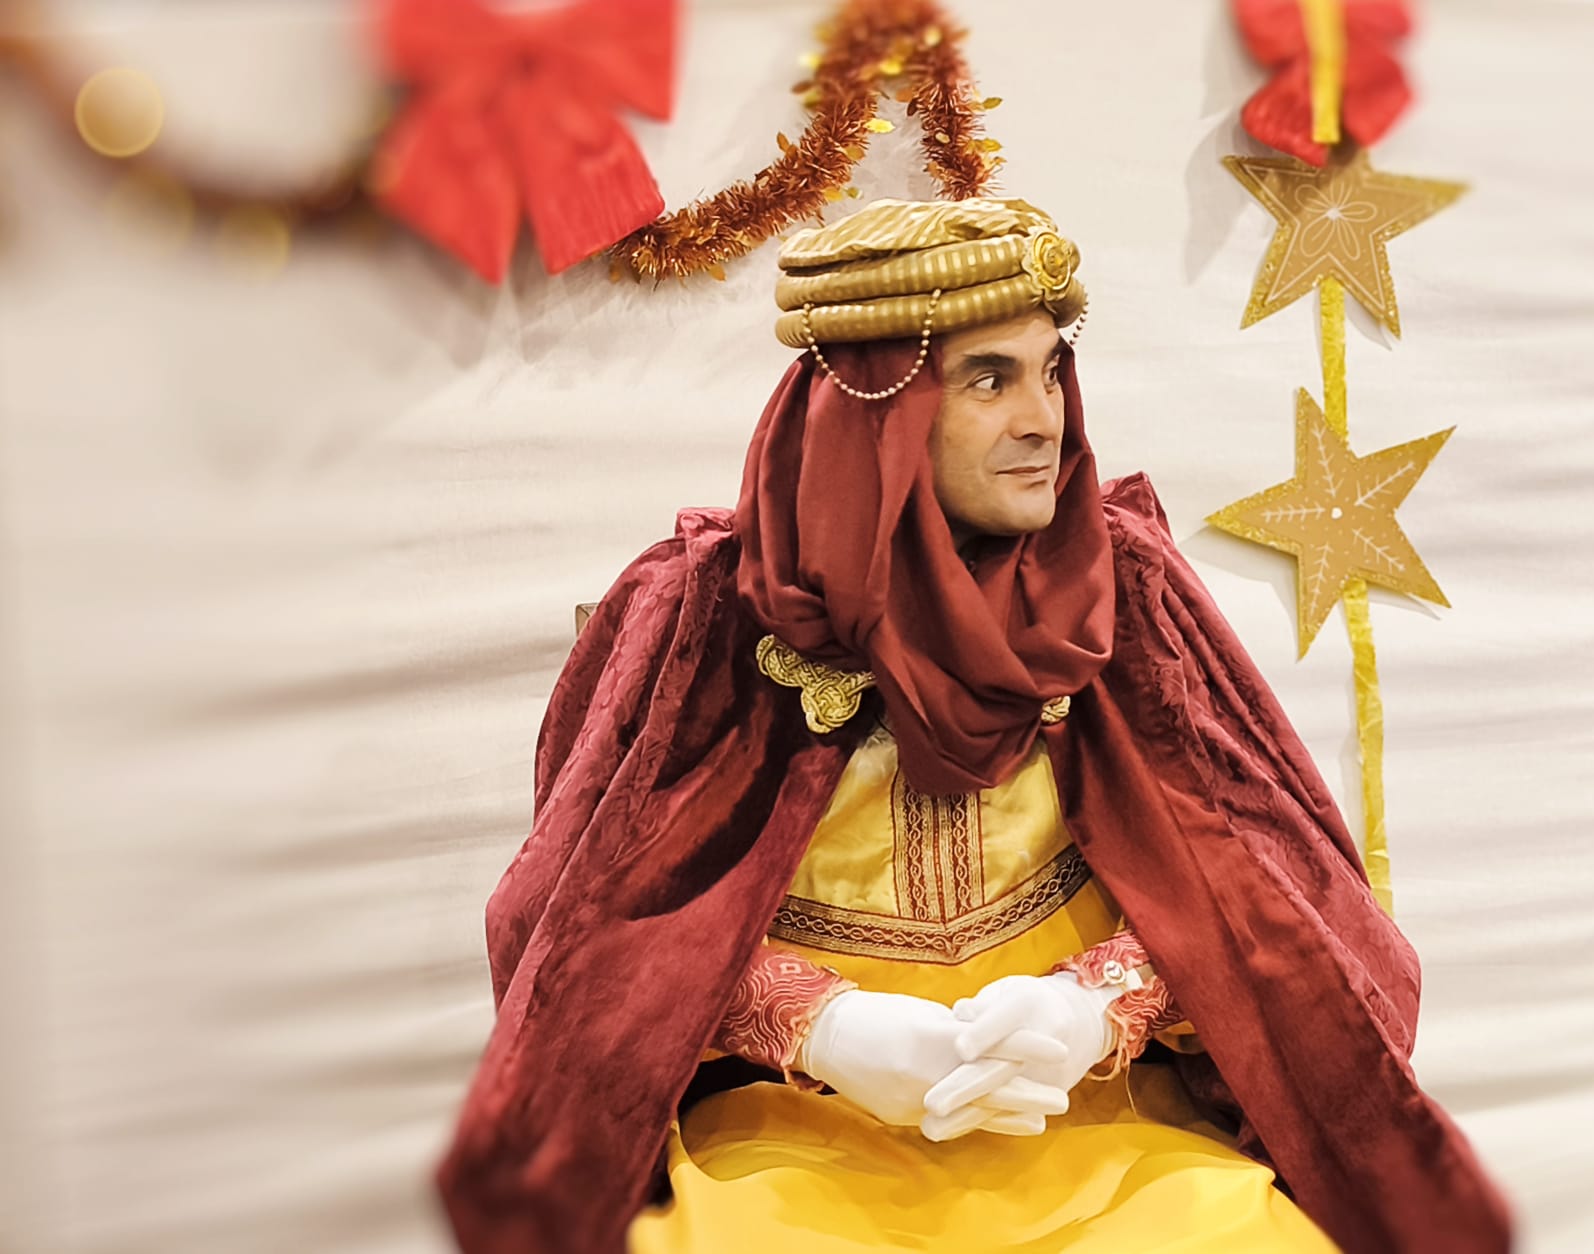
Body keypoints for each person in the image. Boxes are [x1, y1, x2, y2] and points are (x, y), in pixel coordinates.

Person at [436, 198, 1512, 1253]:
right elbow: (570, 944)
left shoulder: (1123, 593)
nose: (1046, 420)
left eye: (1051, 371)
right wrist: (816, 1024)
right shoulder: (698, 618)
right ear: (871, 405)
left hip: (1102, 1133)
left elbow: (1294, 906)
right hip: (787, 1144)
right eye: (990, 380)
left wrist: (1099, 1006)